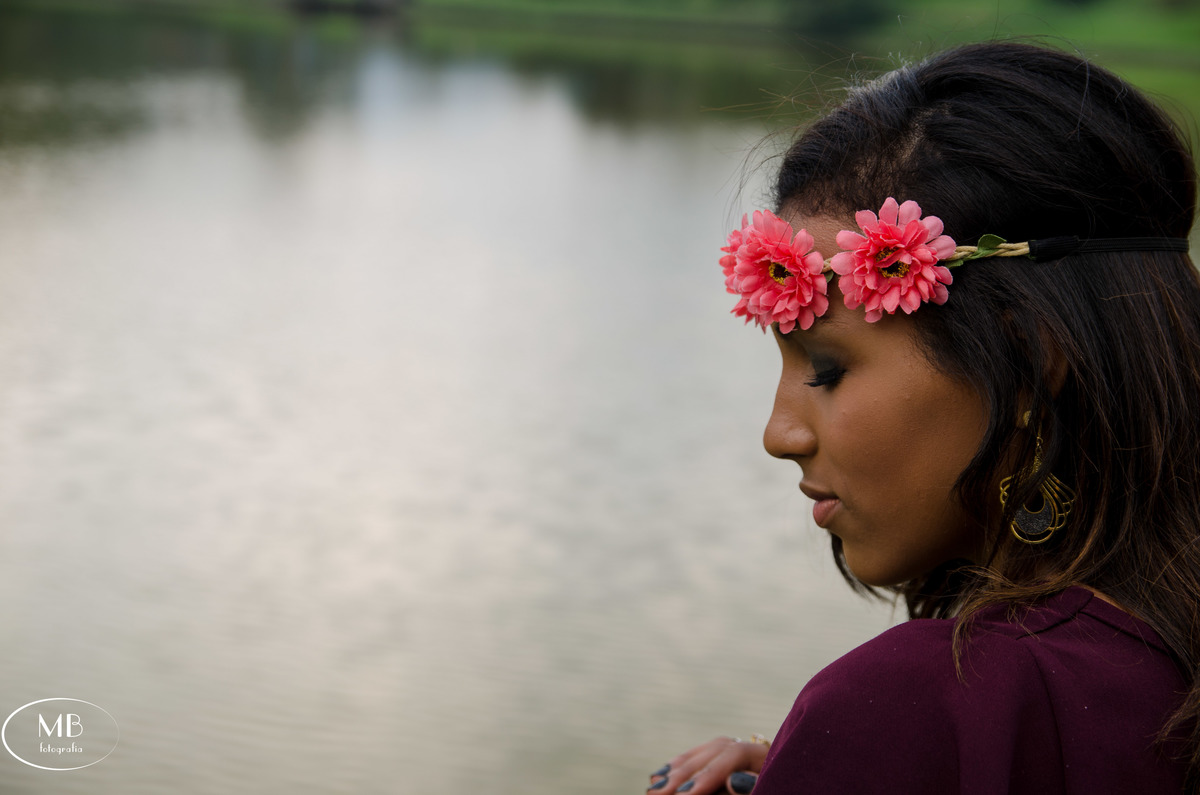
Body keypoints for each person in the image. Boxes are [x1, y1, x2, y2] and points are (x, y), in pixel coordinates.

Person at [648, 41, 1199, 795]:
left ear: (1027, 359)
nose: (780, 434)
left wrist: (868, 751)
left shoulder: (923, 701)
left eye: (828, 370)